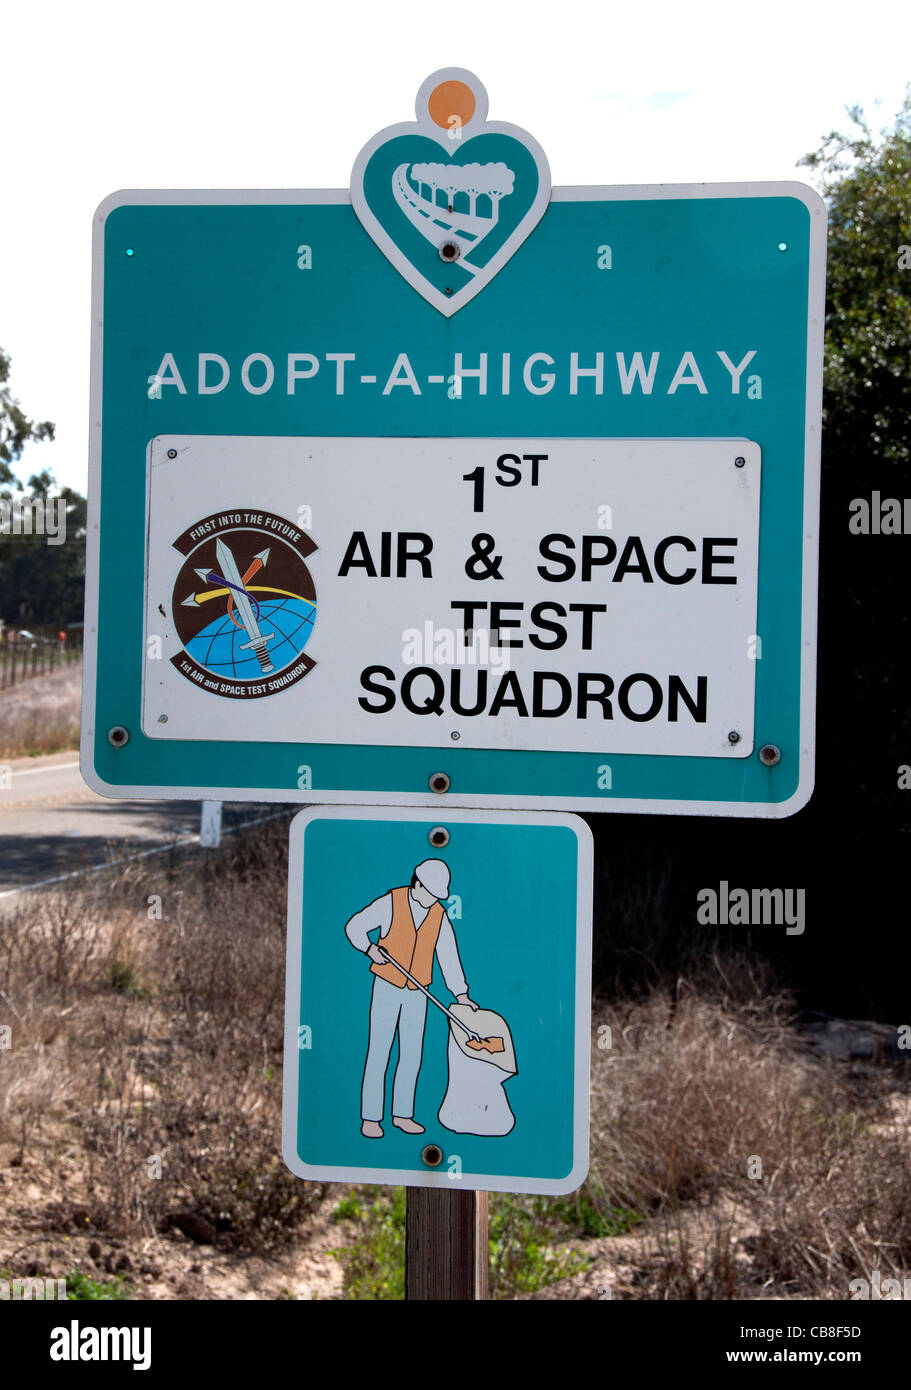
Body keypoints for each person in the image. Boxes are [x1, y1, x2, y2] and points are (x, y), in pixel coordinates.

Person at [345, 859, 477, 1138]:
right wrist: (370, 949)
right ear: (416, 884)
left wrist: (461, 994)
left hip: (418, 993)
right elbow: (354, 927)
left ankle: (403, 1115)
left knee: (411, 1055)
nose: (433, 900)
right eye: (430, 893)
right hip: (387, 986)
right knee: (379, 1051)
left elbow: (448, 956)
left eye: (438, 896)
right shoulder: (391, 902)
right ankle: (370, 1118)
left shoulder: (438, 915)